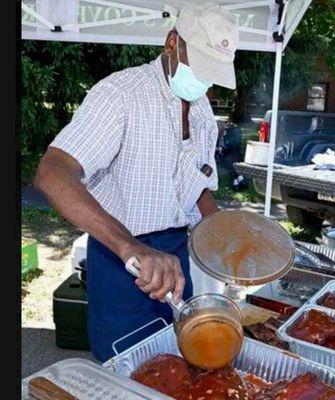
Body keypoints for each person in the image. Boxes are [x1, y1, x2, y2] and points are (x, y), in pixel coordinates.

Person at [34, 1, 238, 362]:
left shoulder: (203, 108)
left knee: (180, 364)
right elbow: (52, 173)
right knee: (126, 373)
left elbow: (200, 182)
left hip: (176, 258)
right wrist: (131, 247)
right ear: (172, 42)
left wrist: (221, 232)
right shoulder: (121, 95)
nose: (203, 80)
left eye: (212, 72)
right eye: (199, 66)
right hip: (121, 259)